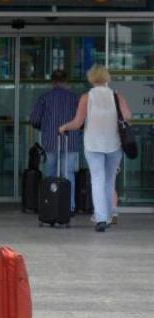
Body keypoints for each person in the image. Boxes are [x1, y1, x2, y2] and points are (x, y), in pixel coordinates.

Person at [59, 65, 132, 232]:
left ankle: (101, 219)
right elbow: (127, 116)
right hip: (114, 144)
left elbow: (77, 123)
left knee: (97, 180)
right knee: (109, 180)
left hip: (93, 145)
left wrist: (64, 127)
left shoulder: (87, 97)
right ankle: (107, 215)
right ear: (107, 78)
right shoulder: (116, 96)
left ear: (91, 79)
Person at [30, 70, 81, 213]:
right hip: (71, 141)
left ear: (52, 82)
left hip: (51, 140)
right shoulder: (74, 98)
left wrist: (45, 127)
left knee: (50, 173)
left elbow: (34, 119)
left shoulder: (44, 97)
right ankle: (69, 206)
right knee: (68, 174)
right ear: (66, 81)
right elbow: (82, 120)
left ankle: (50, 203)